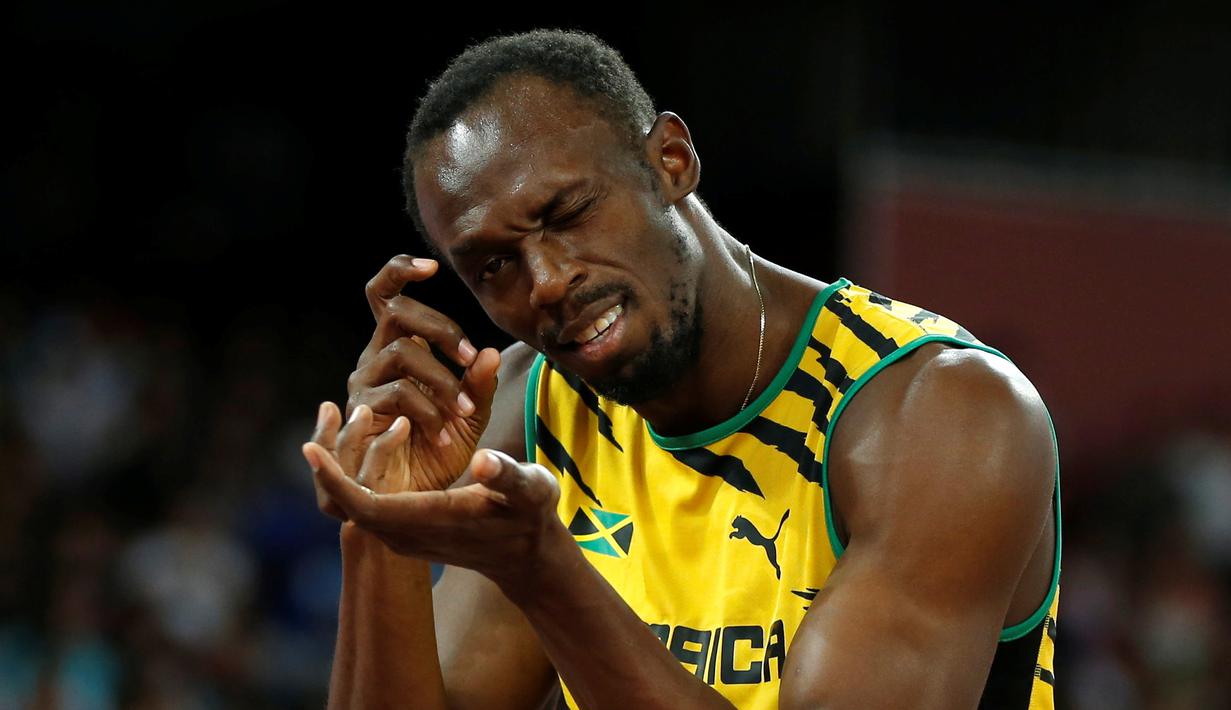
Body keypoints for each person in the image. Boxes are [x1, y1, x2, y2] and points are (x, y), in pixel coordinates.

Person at [300, 30, 1061, 710]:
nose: (547, 283)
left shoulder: (941, 411)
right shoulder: (534, 409)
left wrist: (545, 572)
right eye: (494, 266)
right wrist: (378, 523)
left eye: (567, 214)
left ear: (671, 161)